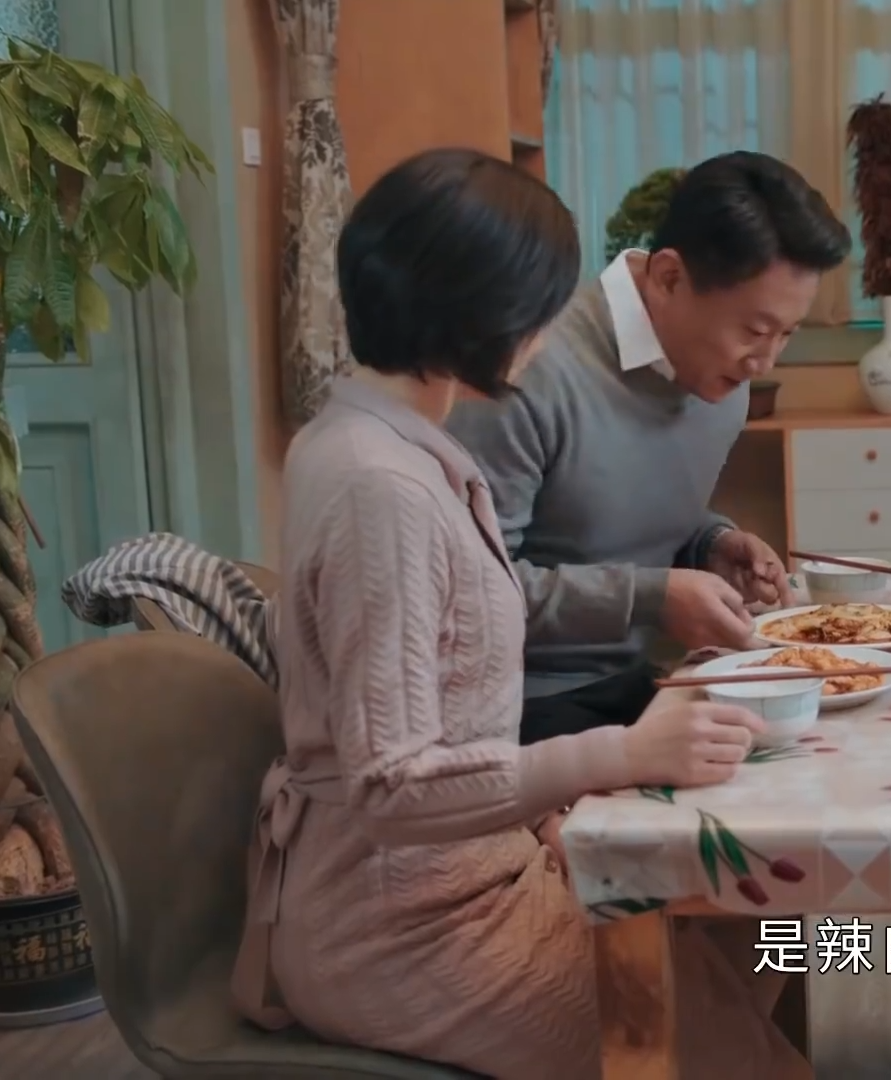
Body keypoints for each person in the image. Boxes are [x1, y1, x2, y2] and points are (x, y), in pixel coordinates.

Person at [230, 147, 811, 1080]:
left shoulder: (378, 440)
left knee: (733, 959)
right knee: (734, 1052)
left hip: (468, 869)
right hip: (402, 924)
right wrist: (619, 756)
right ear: (486, 315)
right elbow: (393, 787)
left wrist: (540, 813)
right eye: (543, 306)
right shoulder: (383, 485)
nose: (555, 327)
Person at [447, 151, 852, 745]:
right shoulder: (530, 369)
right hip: (521, 708)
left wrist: (708, 542)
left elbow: (607, 515)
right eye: (754, 330)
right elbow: (466, 594)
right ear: (668, 279)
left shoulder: (726, 382)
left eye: (786, 334)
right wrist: (652, 598)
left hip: (648, 679)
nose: (764, 362)